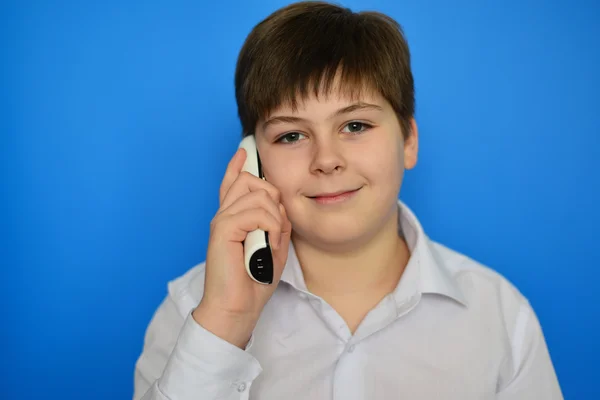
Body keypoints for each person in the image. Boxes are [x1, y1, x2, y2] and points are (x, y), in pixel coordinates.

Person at [133, 1, 563, 399]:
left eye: (355, 126)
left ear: (409, 140)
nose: (326, 160)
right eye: (292, 135)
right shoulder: (194, 307)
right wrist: (225, 322)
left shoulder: (500, 316)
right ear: (253, 160)